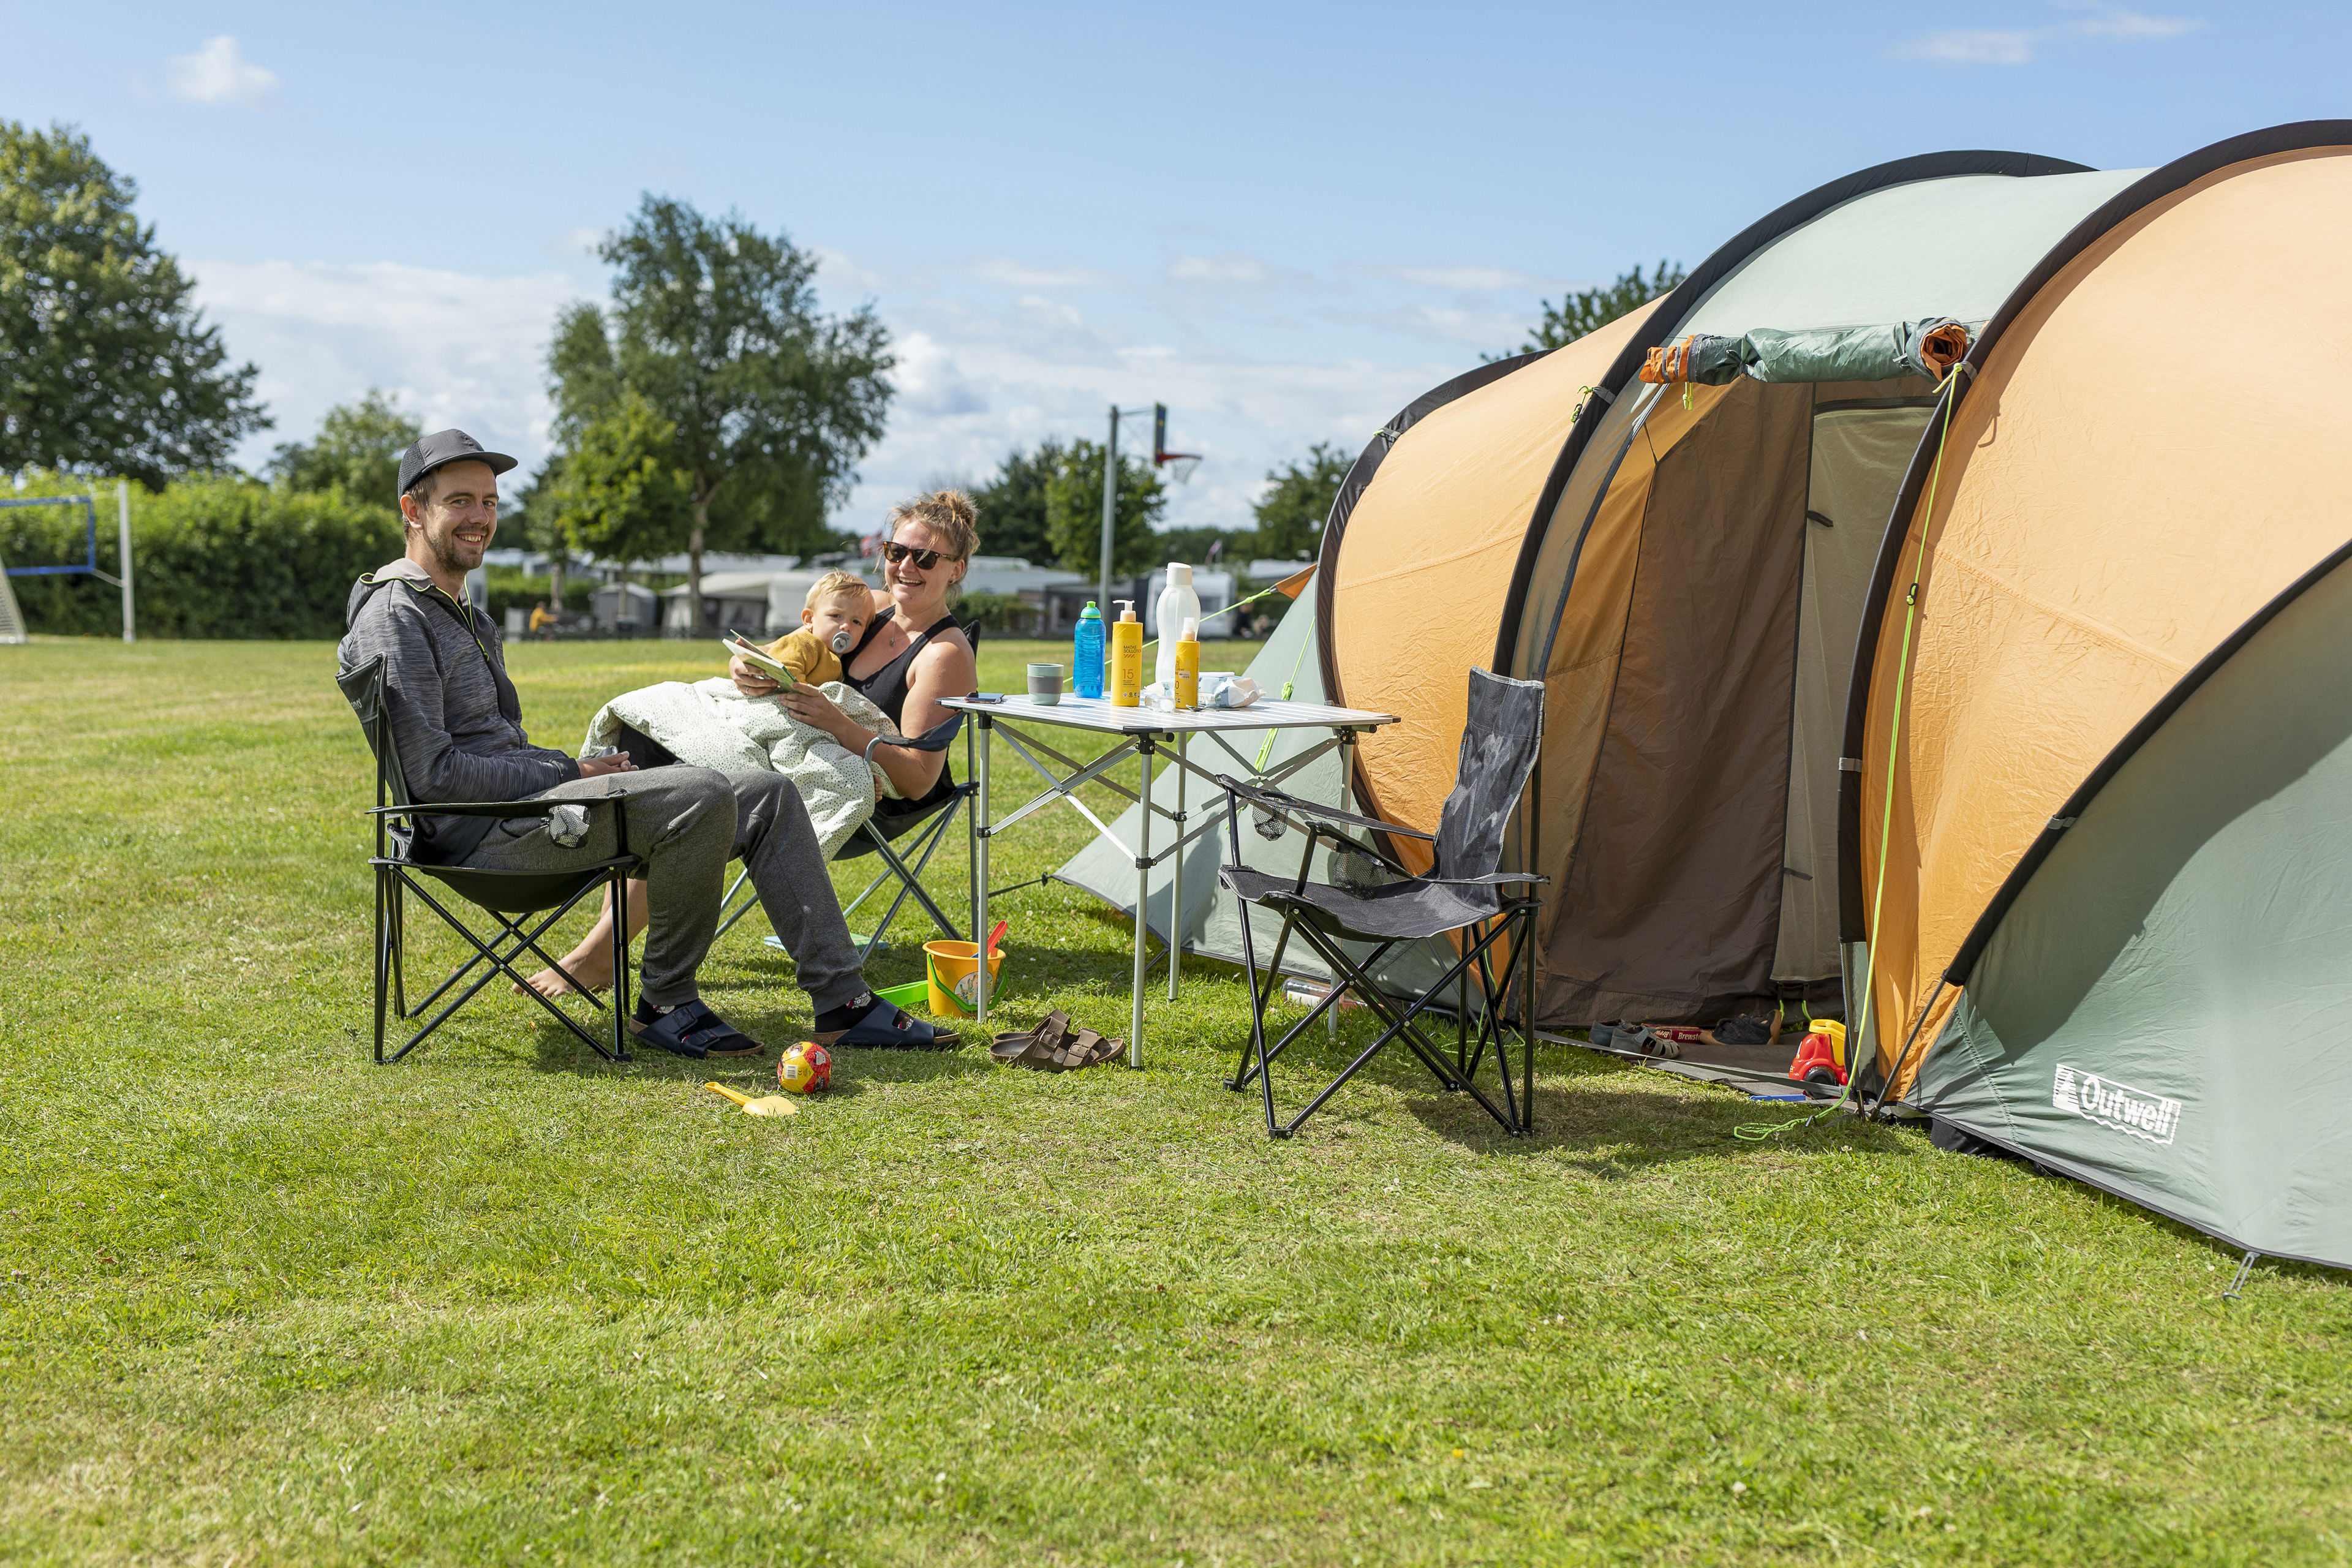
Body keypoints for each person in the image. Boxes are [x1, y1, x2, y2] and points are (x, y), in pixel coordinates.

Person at [339, 428, 952, 1058]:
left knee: (767, 794)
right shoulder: (397, 615)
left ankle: (843, 1002)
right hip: (483, 837)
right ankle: (667, 1002)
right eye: (460, 501)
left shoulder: (463, 613)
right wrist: (567, 771)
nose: (480, 517)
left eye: (489, 502)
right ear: (414, 510)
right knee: (702, 792)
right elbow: (435, 777)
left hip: (527, 812)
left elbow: (492, 748)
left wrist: (574, 773)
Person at [533, 491, 983, 979]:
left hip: (866, 791)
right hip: (790, 750)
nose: (906, 567)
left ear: (956, 569)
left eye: (926, 557)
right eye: (896, 552)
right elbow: (783, 652)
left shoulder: (944, 655)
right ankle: (608, 942)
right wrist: (746, 666)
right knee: (647, 743)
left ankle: (600, 954)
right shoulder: (866, 608)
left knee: (686, 789)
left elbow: (918, 777)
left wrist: (836, 722)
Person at [755, 570, 875, 688]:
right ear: (809, 620)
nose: (846, 626)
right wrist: (806, 694)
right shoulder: (804, 643)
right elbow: (786, 670)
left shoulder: (835, 658)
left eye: (856, 622)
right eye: (836, 616)